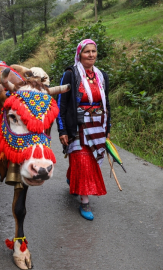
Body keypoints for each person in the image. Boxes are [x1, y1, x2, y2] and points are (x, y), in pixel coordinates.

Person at [56, 39, 111, 221]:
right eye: (87, 51)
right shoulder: (71, 74)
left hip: (97, 125)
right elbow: (61, 104)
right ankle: (85, 201)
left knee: (91, 159)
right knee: (82, 160)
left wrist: (107, 126)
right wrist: (62, 130)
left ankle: (72, 176)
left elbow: (106, 103)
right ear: (79, 54)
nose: (91, 55)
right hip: (77, 125)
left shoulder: (101, 76)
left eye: (93, 51)